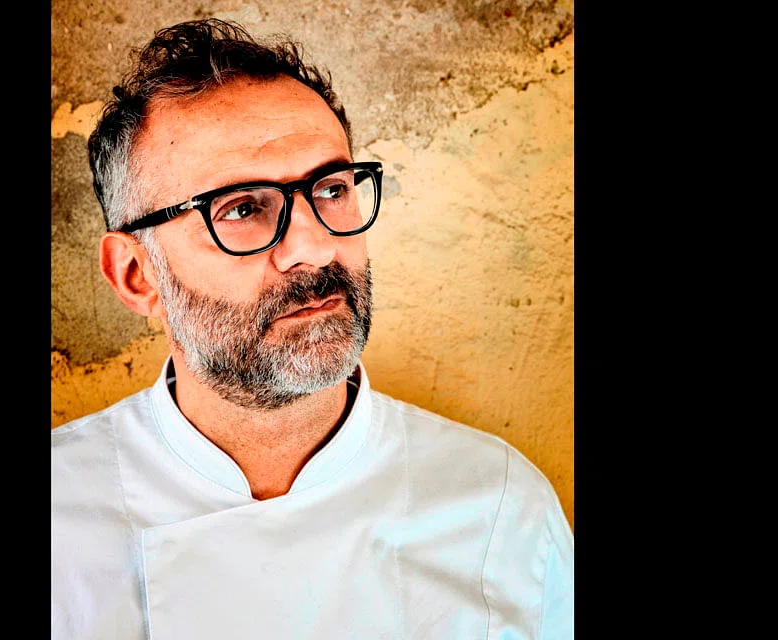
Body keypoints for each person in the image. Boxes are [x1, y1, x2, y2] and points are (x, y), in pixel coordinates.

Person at [52, 18, 573, 639]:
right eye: (241, 208)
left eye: (330, 190)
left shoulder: (501, 512)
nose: (315, 247)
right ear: (137, 276)